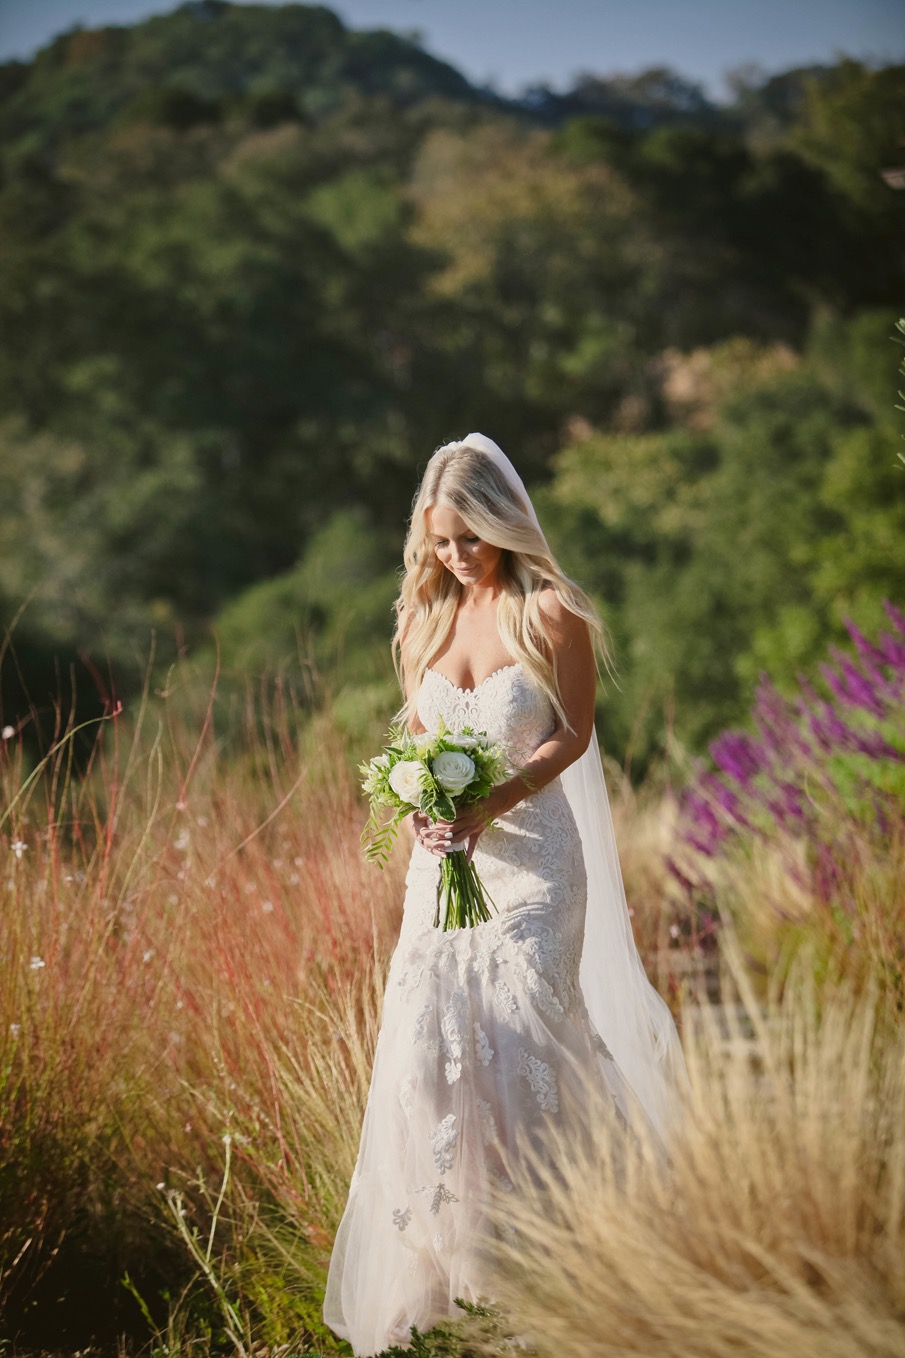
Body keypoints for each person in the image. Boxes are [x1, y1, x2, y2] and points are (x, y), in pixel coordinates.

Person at [323, 434, 685, 1356]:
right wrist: (423, 817)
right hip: (445, 870)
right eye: (439, 543)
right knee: (429, 1052)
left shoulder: (550, 611)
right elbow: (411, 751)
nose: (454, 557)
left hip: (537, 868)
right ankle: (448, 1282)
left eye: (468, 540)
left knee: (521, 1040)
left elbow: (569, 737)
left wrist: (495, 801)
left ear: (500, 524)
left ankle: (554, 1269)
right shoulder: (420, 624)